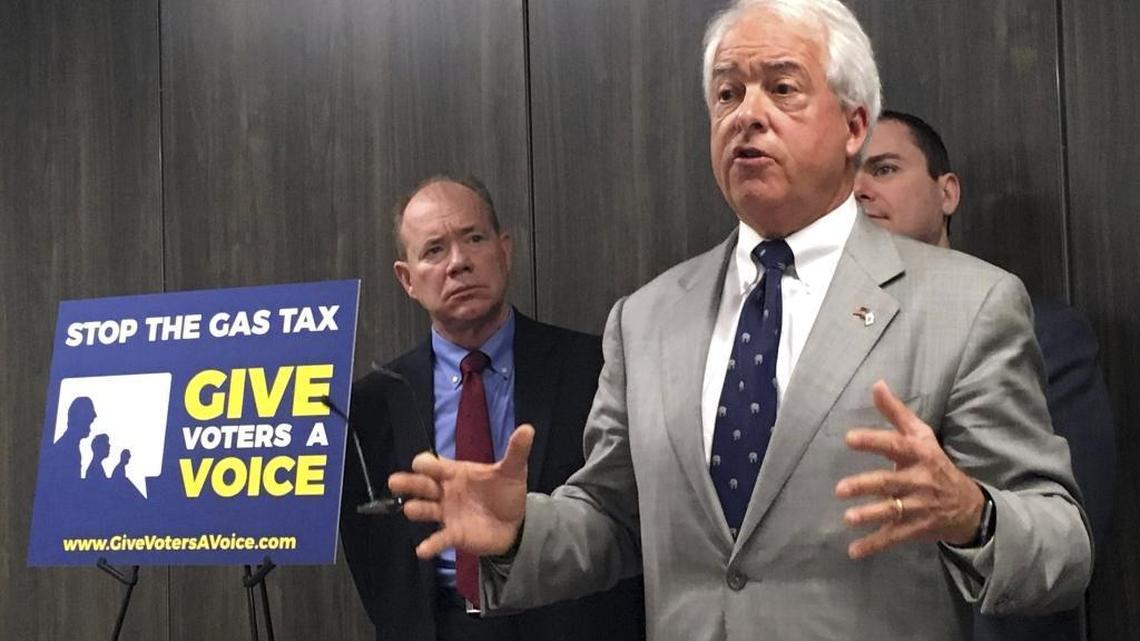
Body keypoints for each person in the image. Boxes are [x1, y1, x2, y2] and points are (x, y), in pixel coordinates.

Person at [390, 2, 1093, 639]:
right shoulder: (646, 318)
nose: (745, 113)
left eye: (781, 88)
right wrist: (519, 530)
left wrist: (973, 513)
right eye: (727, 93)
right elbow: (612, 516)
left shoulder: (967, 305)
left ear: (854, 125)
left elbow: (1061, 545)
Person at [339, 175, 644, 641]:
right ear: (407, 279)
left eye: (474, 239)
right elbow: (374, 557)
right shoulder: (370, 405)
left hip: (570, 621)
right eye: (434, 251)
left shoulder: (594, 368)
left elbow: (621, 517)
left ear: (505, 250)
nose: (459, 263)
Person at [855, 109, 1115, 641]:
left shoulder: (1048, 336)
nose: (858, 190)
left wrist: (970, 512)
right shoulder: (834, 344)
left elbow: (1067, 543)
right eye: (847, 177)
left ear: (946, 193)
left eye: (883, 169)